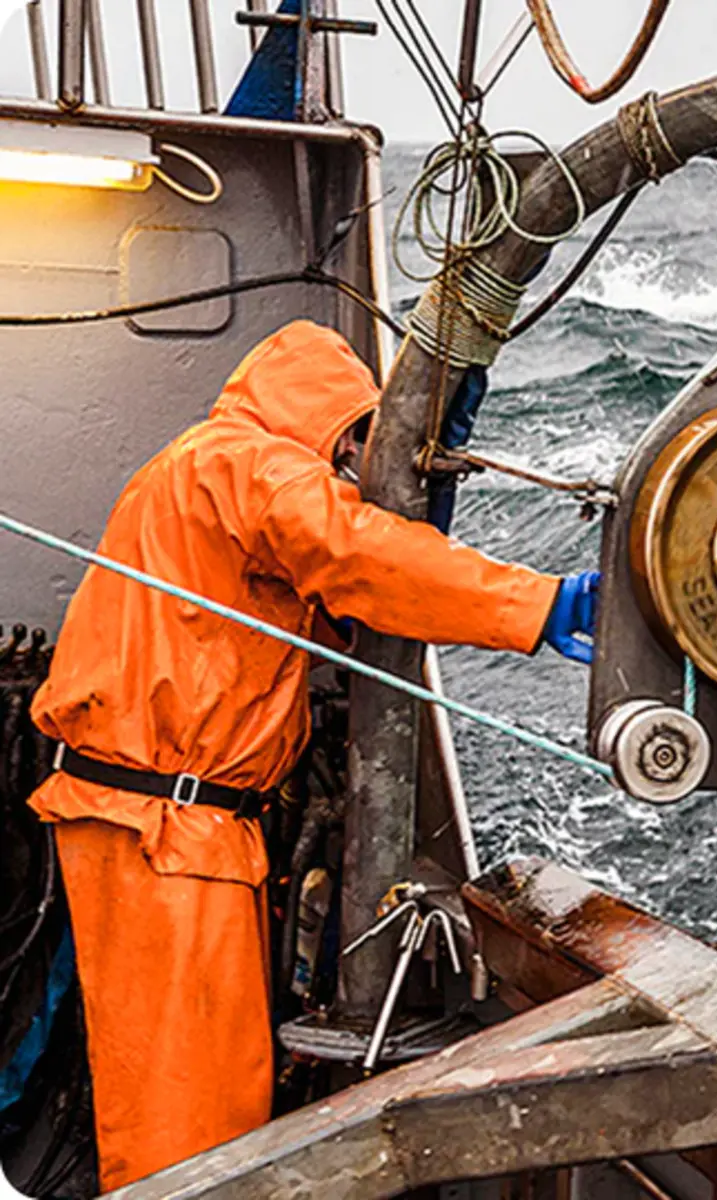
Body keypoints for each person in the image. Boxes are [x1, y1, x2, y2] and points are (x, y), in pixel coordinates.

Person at [26, 320, 598, 1191]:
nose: (365, 462)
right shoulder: (248, 466)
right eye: (364, 438)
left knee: (190, 1092)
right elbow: (354, 555)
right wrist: (541, 604)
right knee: (187, 1119)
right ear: (328, 420)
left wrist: (431, 501)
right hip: (165, 833)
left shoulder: (203, 469)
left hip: (163, 827)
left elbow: (345, 610)